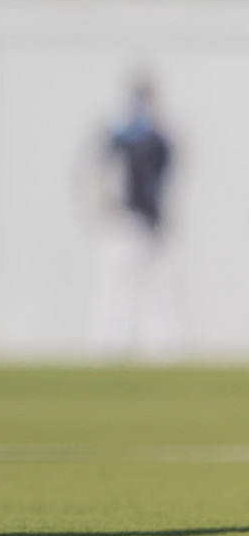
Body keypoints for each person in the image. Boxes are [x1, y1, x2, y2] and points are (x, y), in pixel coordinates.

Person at [83, 75, 178, 358]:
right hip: (125, 222)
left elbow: (164, 182)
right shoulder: (121, 134)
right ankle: (107, 348)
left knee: (155, 290)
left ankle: (161, 350)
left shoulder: (154, 137)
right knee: (116, 288)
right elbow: (96, 172)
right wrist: (104, 207)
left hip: (148, 223)